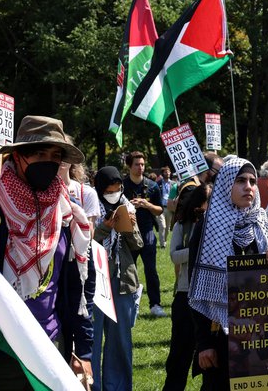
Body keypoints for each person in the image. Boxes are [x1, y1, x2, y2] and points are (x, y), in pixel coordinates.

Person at [0, 115, 94, 390]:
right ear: (17, 156)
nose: (48, 162)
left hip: (46, 352)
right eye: (39, 153)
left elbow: (78, 287)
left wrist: (84, 351)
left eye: (55, 155)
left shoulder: (66, 211)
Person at [187, 158, 268, 390]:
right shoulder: (207, 226)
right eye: (240, 181)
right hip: (219, 335)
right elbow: (197, 288)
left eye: (252, 181)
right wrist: (204, 344)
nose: (249, 186)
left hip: (261, 333)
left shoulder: (265, 223)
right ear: (225, 184)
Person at [91, 166, 143, 391]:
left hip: (123, 281)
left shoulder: (128, 206)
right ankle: (92, 384)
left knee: (120, 340)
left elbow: (138, 245)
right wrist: (104, 228)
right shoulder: (91, 208)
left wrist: (129, 227)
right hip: (96, 280)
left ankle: (118, 386)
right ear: (100, 189)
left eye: (117, 189)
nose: (114, 193)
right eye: (109, 191)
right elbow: (86, 243)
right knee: (93, 339)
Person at [163, 182, 212, 391]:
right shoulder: (182, 225)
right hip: (186, 294)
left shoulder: (221, 226)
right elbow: (174, 255)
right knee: (180, 355)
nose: (205, 213)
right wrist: (196, 249)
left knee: (211, 357)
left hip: (211, 296)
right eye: (201, 209)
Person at [122, 151, 167, 317]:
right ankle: (128, 304)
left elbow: (160, 210)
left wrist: (146, 204)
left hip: (147, 233)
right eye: (136, 164)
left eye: (142, 164)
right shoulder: (122, 185)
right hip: (128, 234)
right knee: (128, 271)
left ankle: (155, 304)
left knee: (151, 270)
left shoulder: (152, 186)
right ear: (129, 165)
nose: (140, 167)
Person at [155, 166, 174, 248]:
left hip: (169, 207)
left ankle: (165, 241)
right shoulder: (158, 183)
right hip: (161, 207)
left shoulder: (173, 184)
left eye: (169, 172)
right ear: (163, 173)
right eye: (166, 172)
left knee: (168, 227)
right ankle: (163, 244)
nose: (168, 173)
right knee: (163, 226)